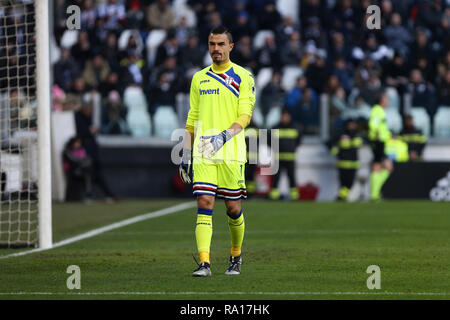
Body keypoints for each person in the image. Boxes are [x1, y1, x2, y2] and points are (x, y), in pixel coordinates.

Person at [179, 26, 255, 277]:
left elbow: (245, 115)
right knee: (205, 202)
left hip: (232, 151)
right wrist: (185, 152)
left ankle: (235, 256)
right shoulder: (199, 78)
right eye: (212, 44)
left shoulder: (243, 77)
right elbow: (193, 117)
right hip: (204, 152)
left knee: (233, 209)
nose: (216, 49)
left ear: (231, 47)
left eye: (221, 44)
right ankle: (204, 263)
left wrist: (224, 136)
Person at [268, 109, 301, 201]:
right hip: (278, 158)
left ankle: (294, 196)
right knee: (276, 178)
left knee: (292, 177)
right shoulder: (275, 128)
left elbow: (298, 141)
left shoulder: (296, 128)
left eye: (286, 116)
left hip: (290, 158)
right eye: (283, 116)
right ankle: (274, 195)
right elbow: (269, 141)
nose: (285, 118)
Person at [329, 119, 363, 201]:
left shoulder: (357, 134)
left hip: (353, 163)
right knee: (343, 182)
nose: (352, 126)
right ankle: (342, 197)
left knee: (350, 183)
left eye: (353, 124)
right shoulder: (341, 134)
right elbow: (329, 142)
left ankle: (341, 196)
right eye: (350, 124)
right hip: (343, 163)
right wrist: (335, 151)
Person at [368, 91, 393, 201]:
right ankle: (374, 194)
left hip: (380, 142)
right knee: (384, 166)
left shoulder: (378, 110)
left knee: (378, 166)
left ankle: (375, 194)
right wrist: (377, 135)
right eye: (386, 99)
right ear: (381, 100)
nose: (388, 101)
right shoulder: (377, 111)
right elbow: (373, 125)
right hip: (378, 142)